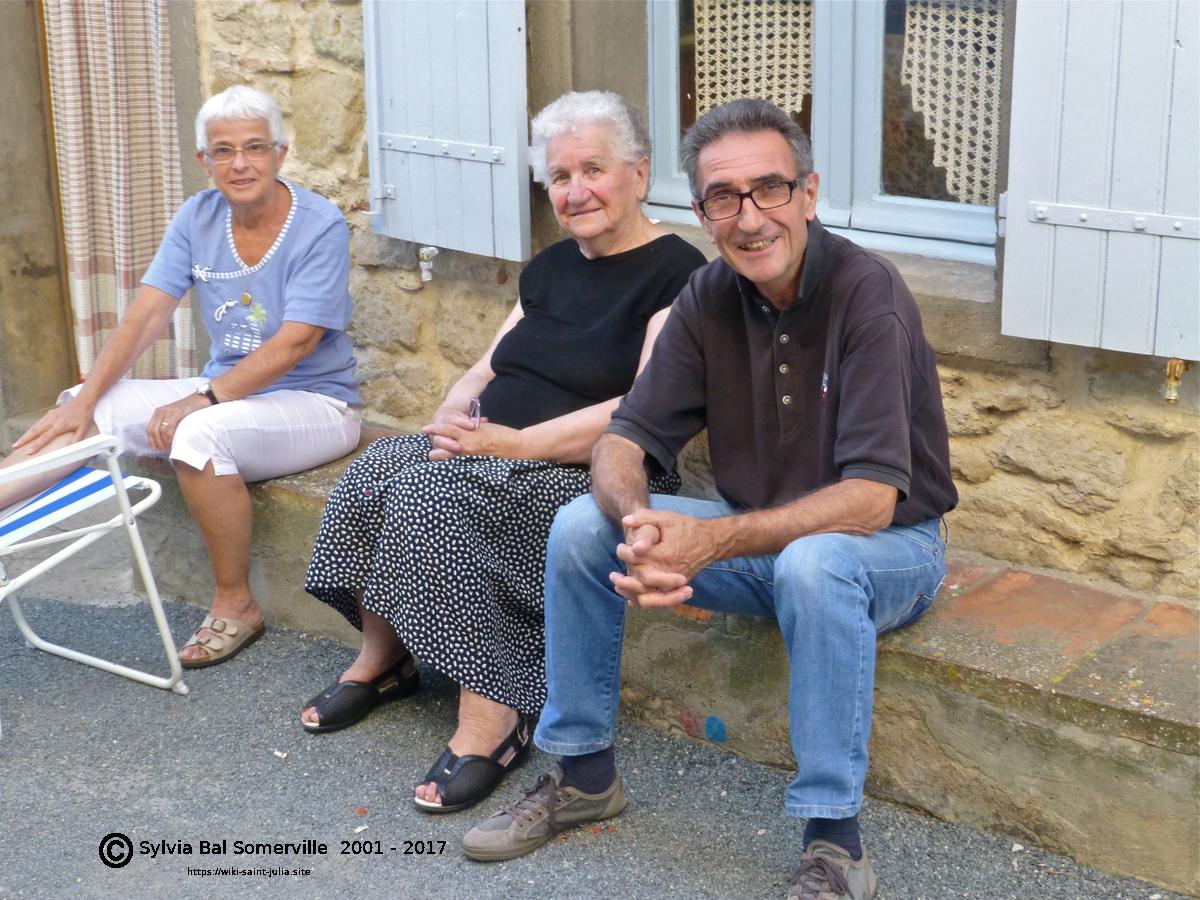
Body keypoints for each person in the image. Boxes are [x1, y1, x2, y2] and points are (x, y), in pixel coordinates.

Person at [462, 98, 958, 900]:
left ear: (809, 193)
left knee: (815, 564)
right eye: (724, 198)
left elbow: (871, 500)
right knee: (581, 525)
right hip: (761, 541)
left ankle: (835, 845)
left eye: (770, 189)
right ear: (701, 213)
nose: (750, 217)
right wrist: (640, 527)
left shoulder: (869, 293)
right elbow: (624, 441)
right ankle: (584, 776)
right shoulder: (706, 295)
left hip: (889, 549)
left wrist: (710, 543)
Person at [300, 91, 706, 815]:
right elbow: (488, 367)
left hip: (587, 469)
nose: (575, 191)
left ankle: (495, 713)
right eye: (560, 177)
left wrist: (512, 444)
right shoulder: (551, 268)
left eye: (594, 170)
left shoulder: (679, 273)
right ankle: (385, 658)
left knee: (431, 498)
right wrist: (451, 415)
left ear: (640, 174)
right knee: (373, 473)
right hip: (495, 447)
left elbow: (640, 407)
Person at [0, 85, 361, 669]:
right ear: (204, 161)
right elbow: (147, 315)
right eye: (223, 151)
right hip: (228, 395)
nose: (240, 163)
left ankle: (236, 603)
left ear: (280, 153)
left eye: (255, 147)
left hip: (314, 404)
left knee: (198, 432)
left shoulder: (318, 224)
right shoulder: (199, 215)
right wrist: (86, 398)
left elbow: (298, 341)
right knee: (87, 405)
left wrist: (205, 397)